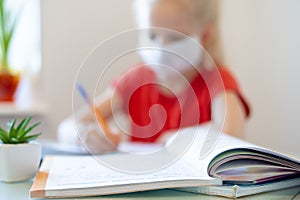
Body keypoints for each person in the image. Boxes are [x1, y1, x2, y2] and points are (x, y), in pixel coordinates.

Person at [58, 0, 250, 153]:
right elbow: (67, 127)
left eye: (175, 38)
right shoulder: (135, 79)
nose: (161, 48)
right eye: (152, 35)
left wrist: (179, 139)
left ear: (205, 35)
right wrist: (83, 135)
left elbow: (232, 133)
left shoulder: (217, 81)